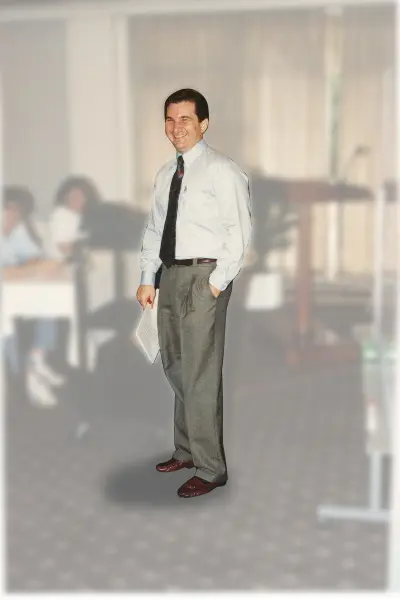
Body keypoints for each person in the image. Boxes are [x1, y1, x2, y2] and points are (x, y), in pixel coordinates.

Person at [136, 88, 252, 499]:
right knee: (176, 365)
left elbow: (239, 234)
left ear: (203, 123)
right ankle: (185, 450)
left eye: (185, 119)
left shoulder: (223, 170)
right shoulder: (168, 172)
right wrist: (148, 276)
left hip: (205, 276)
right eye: (169, 119)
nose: (176, 127)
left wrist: (216, 284)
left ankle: (210, 467)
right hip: (170, 276)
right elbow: (155, 228)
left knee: (201, 373)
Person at [2, 189, 66, 407]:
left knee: (47, 300)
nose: (12, 216)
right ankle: (18, 374)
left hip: (13, 291)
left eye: (17, 212)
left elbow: (33, 257)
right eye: (8, 210)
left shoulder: (17, 230)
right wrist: (24, 270)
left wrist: (25, 268)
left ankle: (37, 358)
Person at [49, 175, 101, 260]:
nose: (76, 199)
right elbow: (63, 247)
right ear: (65, 196)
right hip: (61, 263)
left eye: (80, 196)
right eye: (72, 196)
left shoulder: (87, 216)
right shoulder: (61, 214)